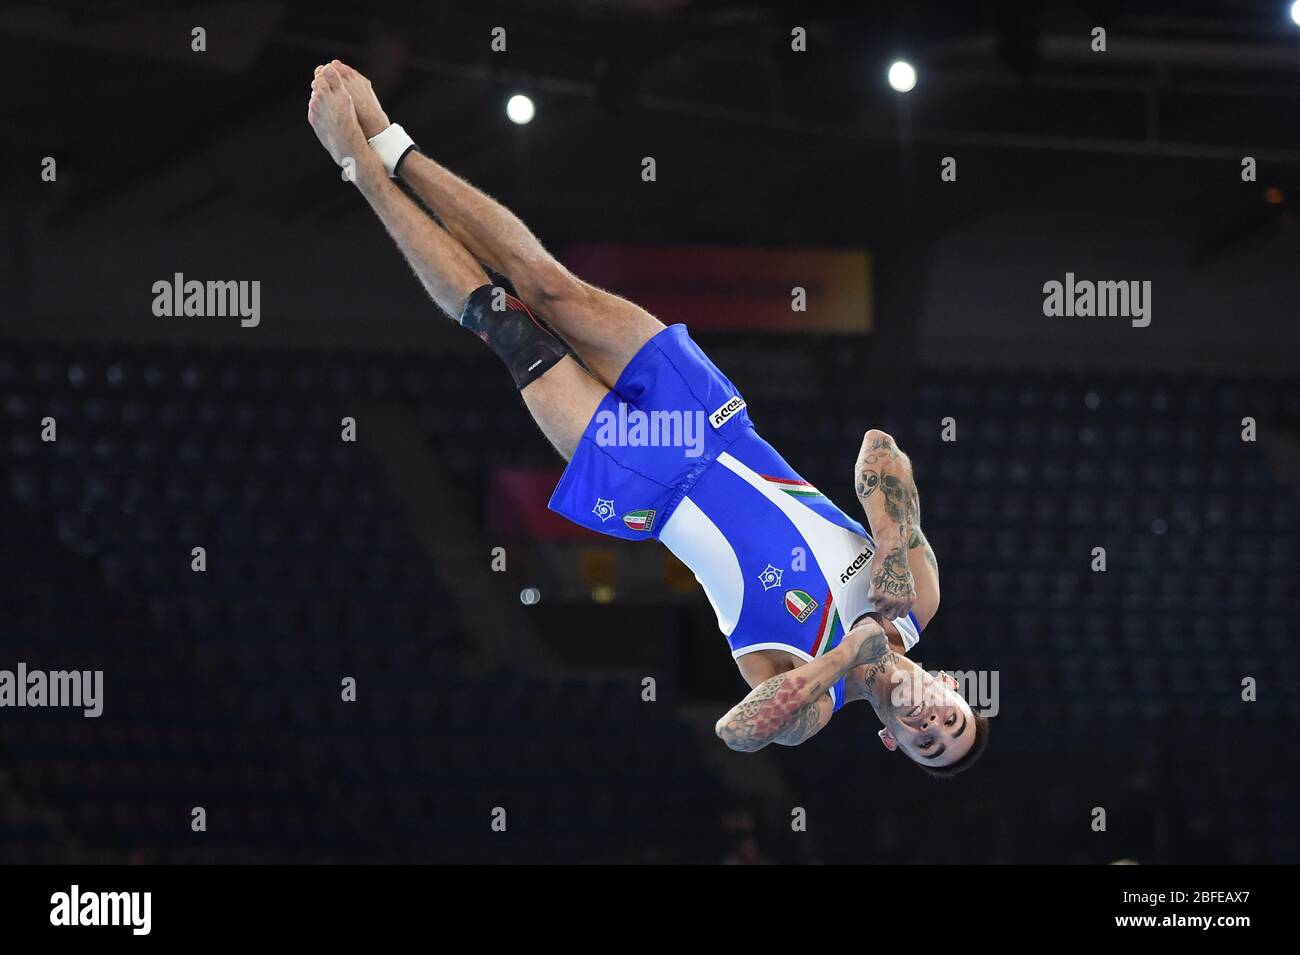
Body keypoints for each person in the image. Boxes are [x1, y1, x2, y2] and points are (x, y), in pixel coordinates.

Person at [306, 61, 988, 774]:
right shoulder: (921, 593)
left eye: (927, 742)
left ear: (894, 741)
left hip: (650, 485)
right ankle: (388, 139)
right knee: (548, 284)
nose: (930, 722)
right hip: (714, 420)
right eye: (951, 718)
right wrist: (887, 536)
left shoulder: (812, 705)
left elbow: (740, 730)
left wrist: (848, 652)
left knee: (504, 322)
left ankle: (358, 168)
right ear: (952, 686)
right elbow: (881, 449)